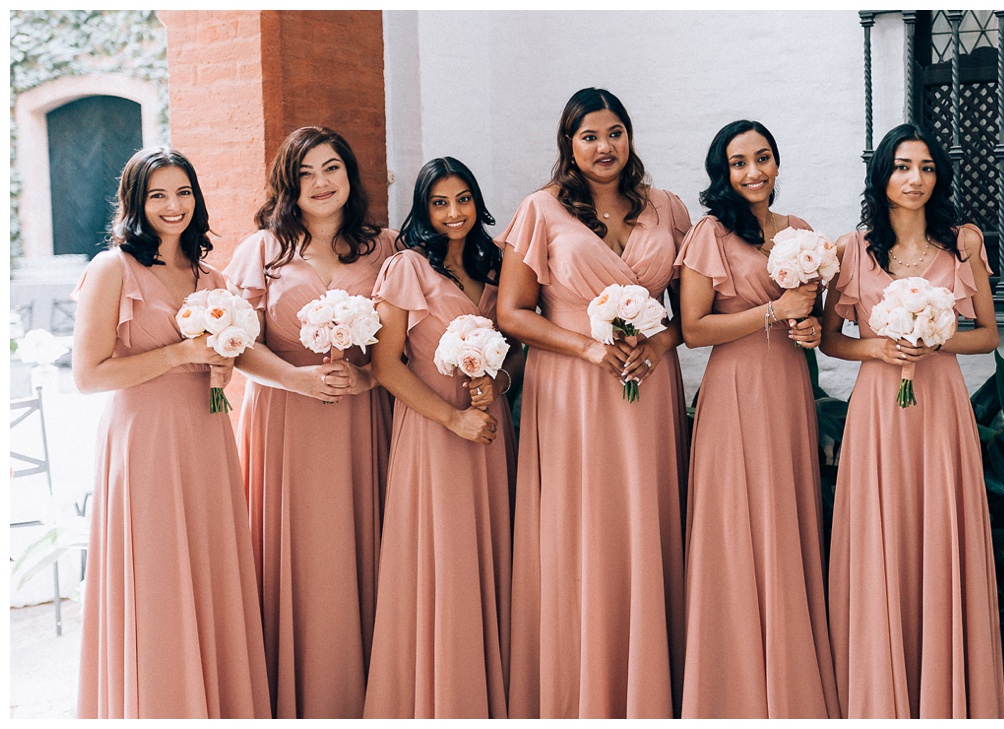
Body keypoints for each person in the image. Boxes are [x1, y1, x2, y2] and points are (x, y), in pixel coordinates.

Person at [495, 87, 690, 718]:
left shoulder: (667, 208)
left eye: (614, 133)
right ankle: (582, 685)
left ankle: (650, 686)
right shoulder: (541, 210)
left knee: (645, 516)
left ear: (629, 137)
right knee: (586, 528)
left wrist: (659, 344)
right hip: (573, 390)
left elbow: (693, 308)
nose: (604, 147)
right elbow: (512, 313)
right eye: (589, 136)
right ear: (569, 145)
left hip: (649, 384)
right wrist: (585, 349)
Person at [73, 147, 270, 718]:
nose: (172, 205)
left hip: (207, 434)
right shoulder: (114, 269)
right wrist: (180, 353)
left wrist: (249, 366)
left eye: (182, 192)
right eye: (157, 194)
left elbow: (240, 350)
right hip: (146, 441)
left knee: (209, 573)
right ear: (135, 202)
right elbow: (88, 375)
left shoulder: (211, 277)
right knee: (156, 578)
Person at [819, 123, 1004, 718]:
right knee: (883, 531)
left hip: (941, 407)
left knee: (937, 530)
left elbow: (989, 337)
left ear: (937, 178)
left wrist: (937, 338)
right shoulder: (854, 248)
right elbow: (829, 340)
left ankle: (944, 696)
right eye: (902, 167)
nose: (915, 179)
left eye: (925, 168)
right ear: (882, 175)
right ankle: (879, 693)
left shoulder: (963, 244)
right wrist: (875, 348)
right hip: (877, 409)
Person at [223, 126, 395, 718]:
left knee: (360, 546)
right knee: (296, 554)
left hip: (358, 417)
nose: (320, 184)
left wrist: (370, 379)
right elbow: (234, 343)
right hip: (284, 417)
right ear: (287, 184)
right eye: (305, 174)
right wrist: (296, 379)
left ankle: (370, 691)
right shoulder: (263, 252)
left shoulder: (384, 248)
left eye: (331, 169)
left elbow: (402, 344)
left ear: (350, 175)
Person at [675, 119, 838, 718]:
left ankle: (792, 677)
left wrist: (810, 325)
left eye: (762, 157)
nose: (753, 171)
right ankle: (733, 685)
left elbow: (813, 324)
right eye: (739, 161)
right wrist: (773, 310)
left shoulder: (798, 232)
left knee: (786, 520)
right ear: (724, 171)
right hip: (736, 389)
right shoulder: (709, 234)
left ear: (777, 163)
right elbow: (693, 330)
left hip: (789, 388)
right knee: (737, 523)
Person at [363, 157, 520, 718]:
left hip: (491, 428)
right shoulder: (406, 268)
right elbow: (385, 365)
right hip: (433, 429)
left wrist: (494, 382)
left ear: (477, 202)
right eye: (440, 202)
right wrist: (453, 418)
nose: (454, 213)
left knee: (489, 555)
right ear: (424, 209)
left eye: (463, 199)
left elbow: (517, 354)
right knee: (441, 559)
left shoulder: (496, 265)